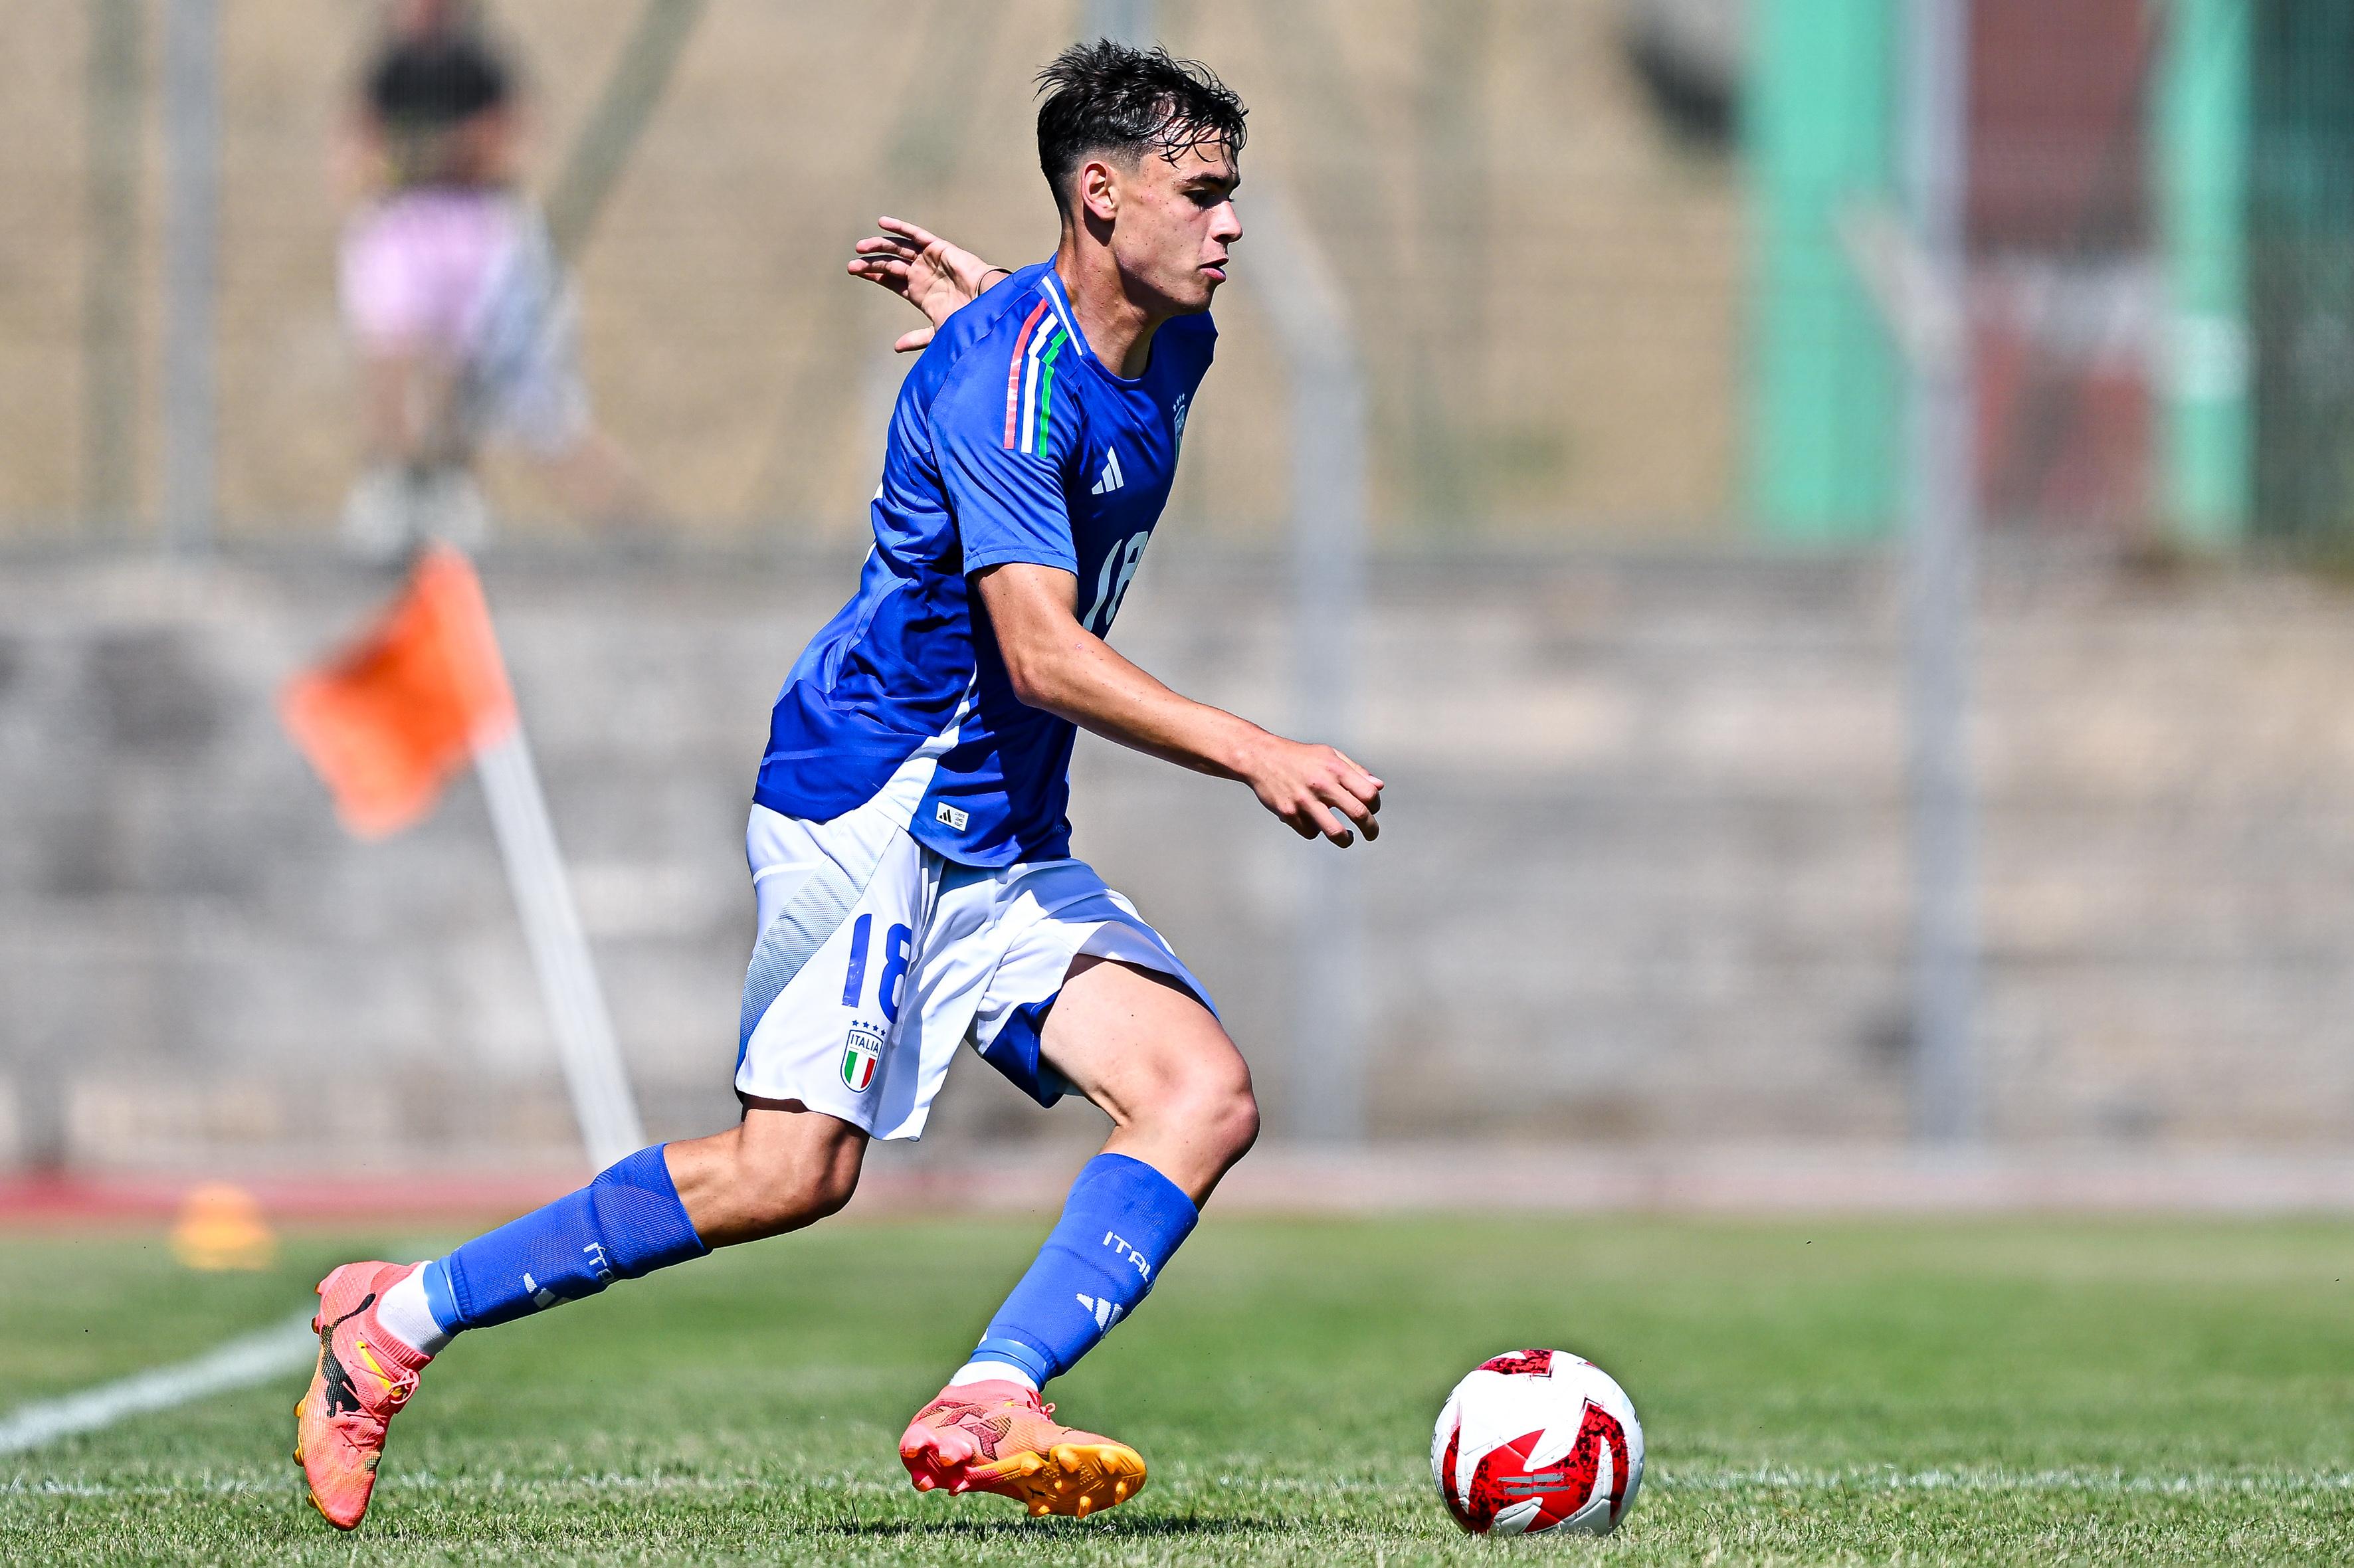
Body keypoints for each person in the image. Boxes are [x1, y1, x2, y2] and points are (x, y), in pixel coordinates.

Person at [292, 41, 1383, 1530]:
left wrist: (991, 313)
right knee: (786, 1171)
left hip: (994, 824)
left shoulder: (1161, 343)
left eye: (1234, 194)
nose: (1231, 225)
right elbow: (1043, 652)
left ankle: (991, 1390)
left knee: (1200, 1091)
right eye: (1201, 194)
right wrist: (1258, 746)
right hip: (873, 804)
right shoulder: (1006, 383)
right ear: (1101, 191)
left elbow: (1050, 368)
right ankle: (395, 1321)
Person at [336, 0, 653, 560]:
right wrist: (414, 162)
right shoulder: (388, 70)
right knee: (393, 348)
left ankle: (456, 486)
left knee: (508, 397)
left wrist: (426, 156)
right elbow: (360, 159)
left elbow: (496, 149)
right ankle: (398, 485)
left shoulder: (477, 65)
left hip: (476, 231)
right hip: (408, 224)